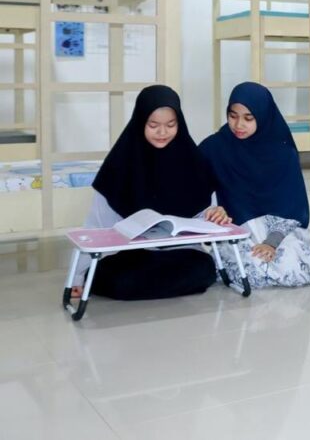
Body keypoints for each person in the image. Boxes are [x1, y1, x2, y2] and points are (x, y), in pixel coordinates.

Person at [71, 85, 228, 300]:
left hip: (180, 252)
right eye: (153, 125)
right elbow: (95, 227)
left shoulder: (194, 162)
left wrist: (215, 213)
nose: (162, 133)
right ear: (140, 122)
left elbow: (205, 214)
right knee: (123, 280)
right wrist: (77, 277)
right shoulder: (119, 165)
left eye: (170, 125)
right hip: (130, 255)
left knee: (203, 269)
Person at [200, 82, 310, 288]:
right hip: (237, 228)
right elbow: (195, 192)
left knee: (290, 268)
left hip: (280, 230)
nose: (239, 124)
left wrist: (271, 242)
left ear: (263, 116)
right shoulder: (215, 147)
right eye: (233, 116)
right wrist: (212, 211)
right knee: (250, 268)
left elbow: (292, 207)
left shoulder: (283, 153)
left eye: (248, 118)